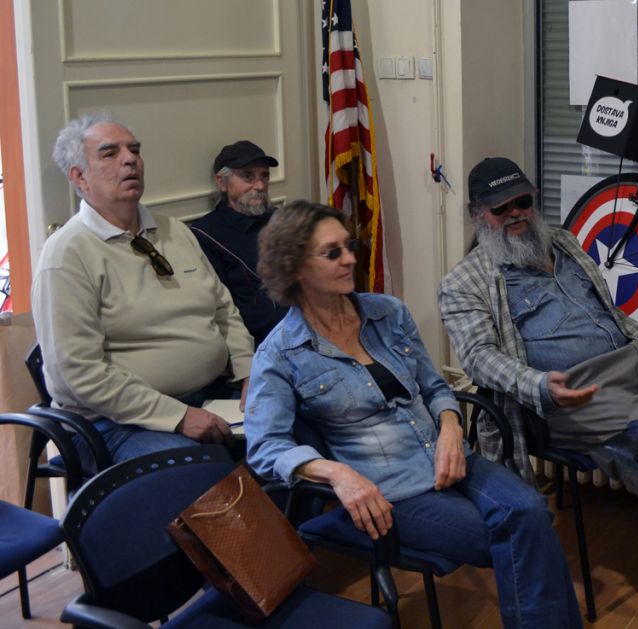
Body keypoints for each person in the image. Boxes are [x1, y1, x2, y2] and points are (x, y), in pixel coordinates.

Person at [245, 200, 582, 628]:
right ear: (293, 268)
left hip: (451, 458)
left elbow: (435, 387)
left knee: (530, 512)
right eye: (332, 253)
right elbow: (265, 447)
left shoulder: (389, 313)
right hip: (393, 491)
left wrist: (450, 429)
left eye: (349, 246)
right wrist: (338, 474)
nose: (350, 258)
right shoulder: (280, 354)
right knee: (523, 531)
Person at [438, 157, 638, 629]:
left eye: (523, 201)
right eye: (502, 208)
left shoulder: (563, 241)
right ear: (478, 214)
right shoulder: (463, 282)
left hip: (634, 362)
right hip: (573, 392)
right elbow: (478, 357)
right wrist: (539, 385)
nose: (517, 213)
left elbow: (610, 314)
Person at [32, 113, 254, 464]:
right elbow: (78, 375)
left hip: (212, 396)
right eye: (110, 153)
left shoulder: (174, 231)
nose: (130, 159)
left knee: (296, 431)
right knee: (201, 472)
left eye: (134, 150)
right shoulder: (67, 255)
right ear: (79, 176)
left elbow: (224, 311)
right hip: (116, 423)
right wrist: (178, 416)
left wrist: (248, 372)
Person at [190, 140, 289, 345]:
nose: (260, 185)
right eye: (248, 176)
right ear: (222, 183)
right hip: (263, 341)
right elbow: (221, 310)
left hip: (312, 323)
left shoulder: (283, 219)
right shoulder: (205, 234)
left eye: (264, 176)